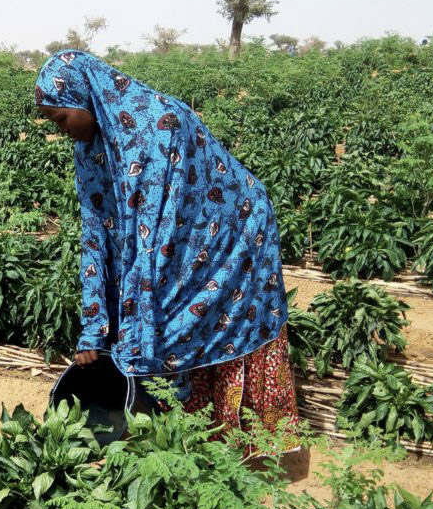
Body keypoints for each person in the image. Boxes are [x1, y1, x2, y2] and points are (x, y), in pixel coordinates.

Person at [35, 50, 300, 451]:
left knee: (169, 328)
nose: (62, 131)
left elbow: (158, 244)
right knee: (146, 331)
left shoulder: (159, 126)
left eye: (61, 119)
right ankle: (176, 439)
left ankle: (220, 447)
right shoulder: (91, 149)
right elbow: (95, 233)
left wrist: (132, 337)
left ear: (85, 97)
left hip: (228, 237)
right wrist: (94, 328)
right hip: (164, 240)